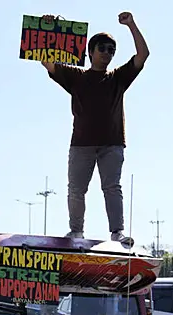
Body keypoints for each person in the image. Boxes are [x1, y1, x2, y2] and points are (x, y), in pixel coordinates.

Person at [43, 12, 149, 243]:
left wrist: (131, 24)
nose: (108, 53)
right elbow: (47, 62)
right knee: (76, 190)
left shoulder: (118, 78)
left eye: (112, 50)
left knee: (112, 188)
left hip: (112, 144)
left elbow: (143, 54)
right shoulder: (76, 76)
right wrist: (49, 28)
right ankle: (77, 231)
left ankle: (117, 232)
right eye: (103, 48)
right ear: (91, 51)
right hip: (81, 144)